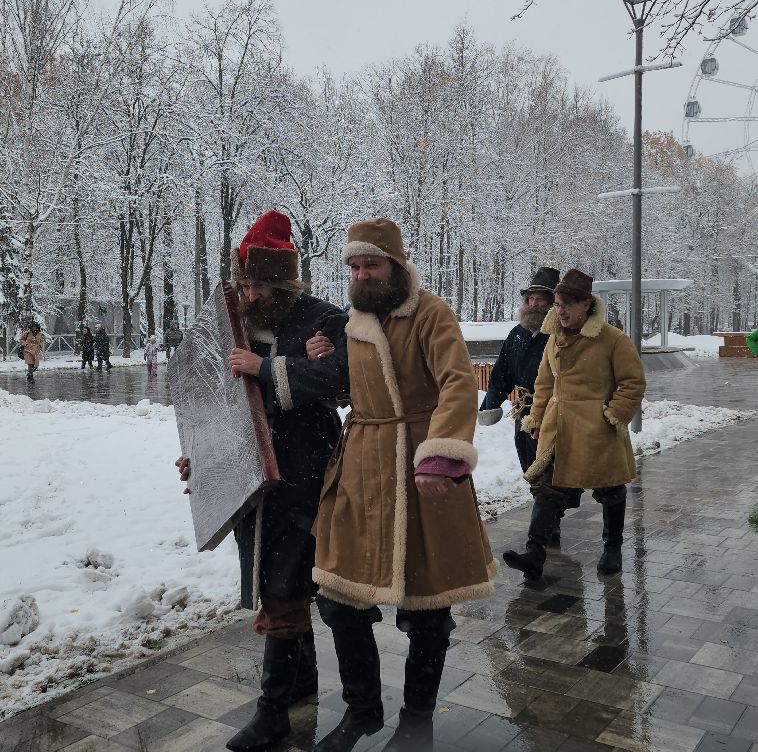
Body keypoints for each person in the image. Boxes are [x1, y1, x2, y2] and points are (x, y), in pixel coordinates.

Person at [311, 218, 498, 752]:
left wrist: (439, 455)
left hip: (421, 468)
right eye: (353, 265)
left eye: (370, 263)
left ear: (394, 263)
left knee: (428, 606)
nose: (361, 273)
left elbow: (458, 382)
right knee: (338, 600)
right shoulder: (354, 321)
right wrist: (330, 365)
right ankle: (363, 710)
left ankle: (417, 723)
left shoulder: (431, 313)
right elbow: (360, 391)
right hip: (363, 468)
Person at [175, 210, 349, 752]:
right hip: (253, 477)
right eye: (245, 282)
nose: (251, 293)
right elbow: (215, 401)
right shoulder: (234, 325)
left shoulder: (324, 318)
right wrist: (202, 458)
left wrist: (268, 367)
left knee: (284, 585)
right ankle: (302, 685)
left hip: (305, 470)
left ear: (284, 281)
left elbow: (341, 378)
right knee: (282, 583)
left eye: (261, 284)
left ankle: (272, 712)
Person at [502, 268, 646, 583]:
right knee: (548, 488)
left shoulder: (612, 339)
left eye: (568, 304)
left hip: (598, 431)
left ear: (587, 306)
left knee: (610, 489)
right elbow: (543, 383)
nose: (561, 310)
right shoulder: (553, 339)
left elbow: (633, 382)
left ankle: (612, 548)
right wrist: (537, 418)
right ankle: (535, 554)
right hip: (560, 429)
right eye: (557, 304)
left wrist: (614, 415)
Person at [478, 266, 560, 475]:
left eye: (539, 299)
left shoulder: (559, 334)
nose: (533, 304)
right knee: (529, 465)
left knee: (549, 470)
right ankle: (542, 501)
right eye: (530, 298)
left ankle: (547, 503)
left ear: (552, 303)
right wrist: (491, 403)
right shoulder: (517, 333)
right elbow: (502, 371)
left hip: (552, 411)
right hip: (524, 412)